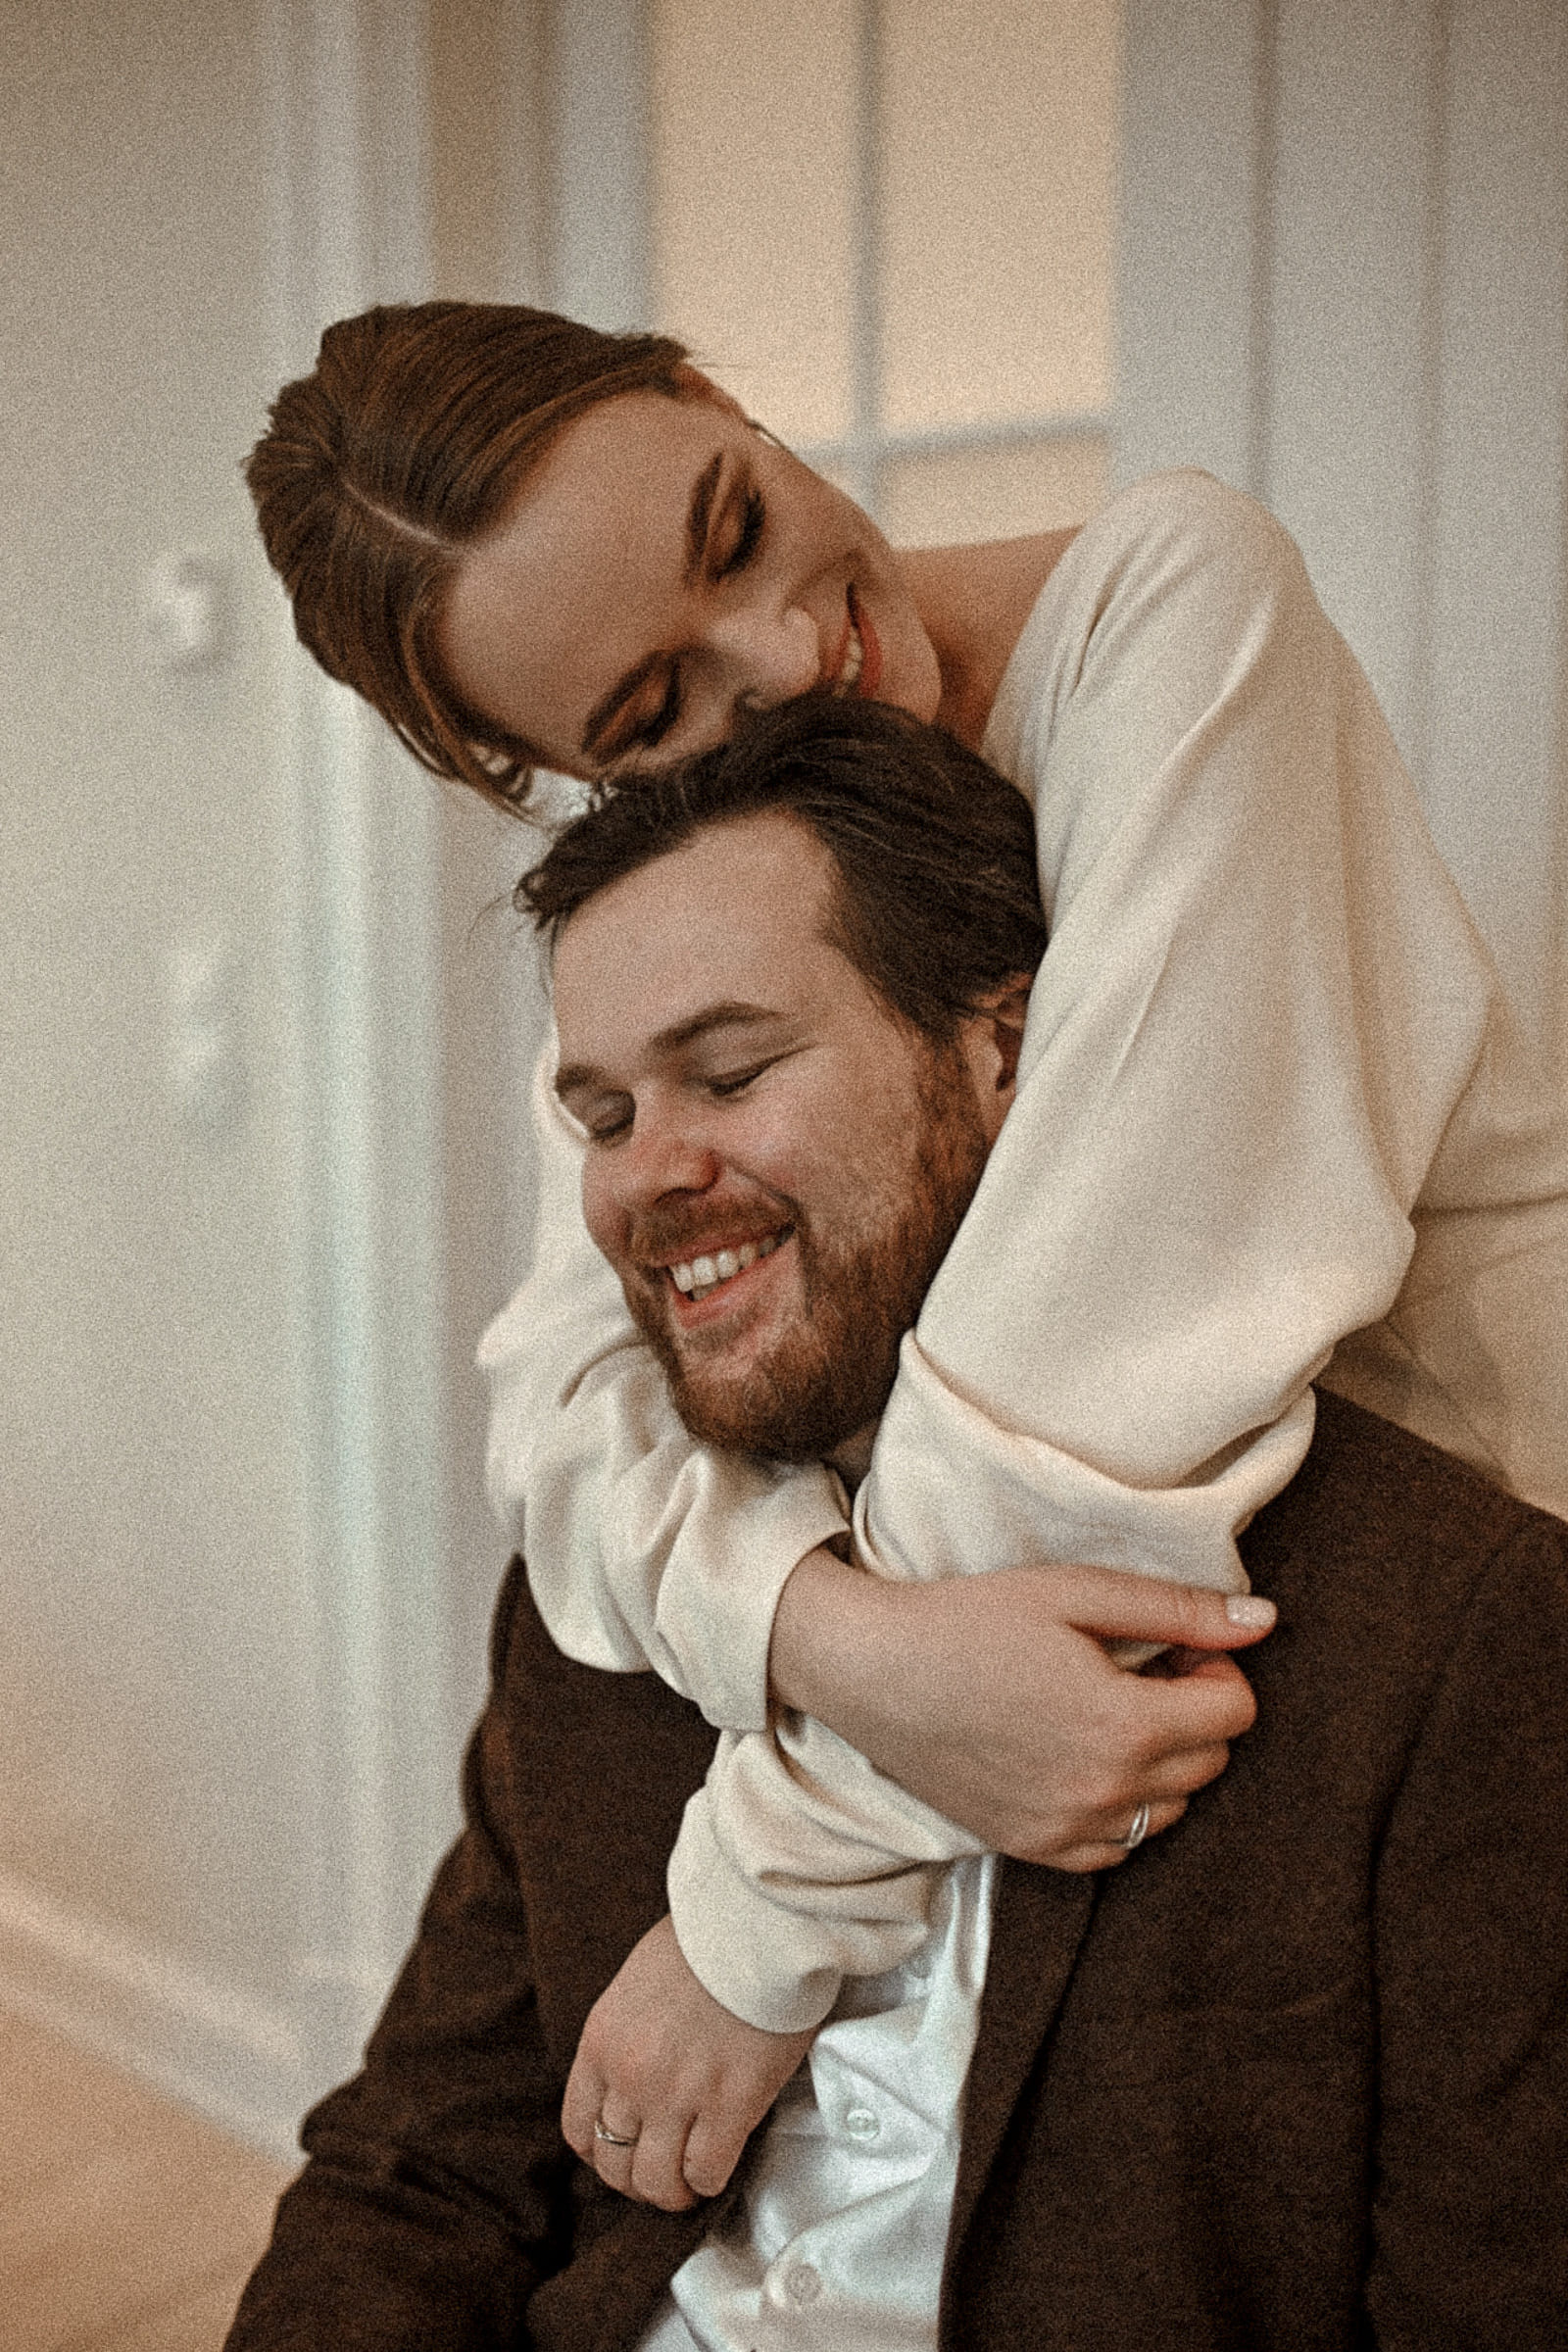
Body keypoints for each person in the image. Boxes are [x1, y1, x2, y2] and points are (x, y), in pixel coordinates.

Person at [225, 712, 1568, 2349]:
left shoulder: (1450, 1623)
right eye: (604, 1116)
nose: (650, 1178)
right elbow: (414, 2175)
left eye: (727, 1073)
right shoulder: (613, 1578)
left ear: (1003, 1055)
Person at [245, 297, 1568, 1945]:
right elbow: (568, 1410)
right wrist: (828, 1638)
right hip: (1066, 1690)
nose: (793, 660)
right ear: (559, 775)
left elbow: (1084, 1380)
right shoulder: (686, 887)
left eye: (734, 531)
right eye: (653, 714)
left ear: (712, 389)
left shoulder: (1175, 607)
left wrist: (749, 1915)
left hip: (1445, 1609)